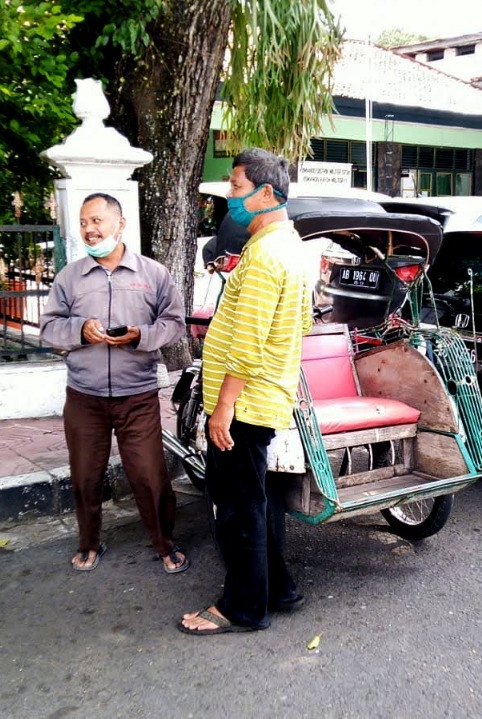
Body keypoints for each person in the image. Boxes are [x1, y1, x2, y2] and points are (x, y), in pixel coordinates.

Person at [179, 148, 313, 635]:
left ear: (266, 194)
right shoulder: (291, 247)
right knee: (257, 502)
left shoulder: (264, 257)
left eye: (236, 188)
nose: (230, 197)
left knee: (238, 509)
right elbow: (298, 326)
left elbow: (248, 346)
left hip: (245, 403)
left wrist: (222, 409)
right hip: (266, 397)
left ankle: (242, 608)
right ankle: (279, 590)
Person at [39, 193, 187, 574]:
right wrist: (80, 331)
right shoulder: (69, 277)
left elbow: (173, 324)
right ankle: (89, 542)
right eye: (84, 222)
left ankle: (164, 544)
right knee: (86, 474)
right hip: (84, 396)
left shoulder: (153, 274)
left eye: (97, 221)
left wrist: (140, 334)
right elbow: (48, 329)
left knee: (149, 475)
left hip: (137, 396)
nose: (89, 229)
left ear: (120, 224)